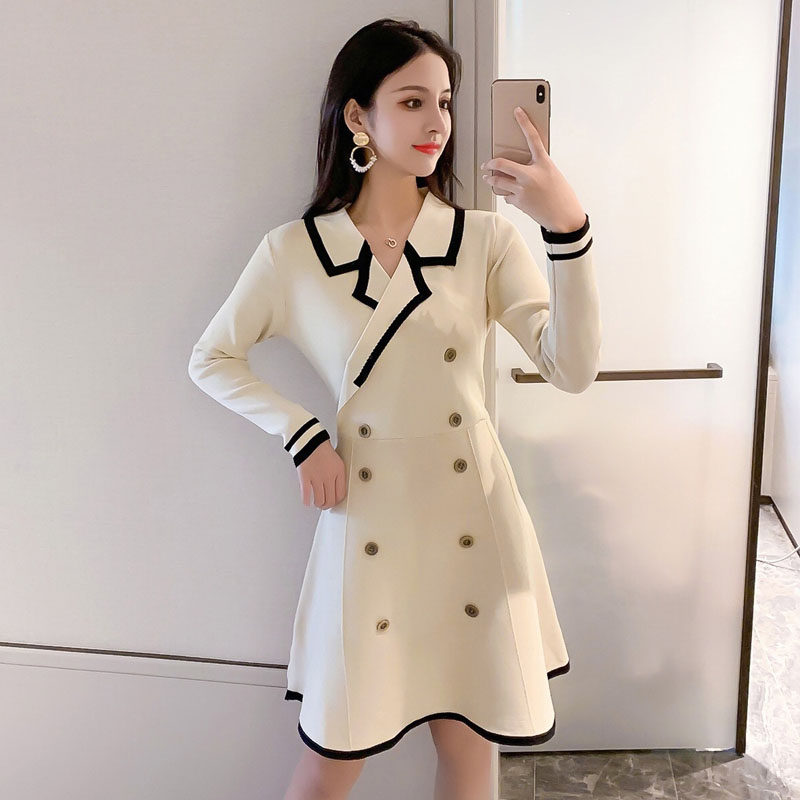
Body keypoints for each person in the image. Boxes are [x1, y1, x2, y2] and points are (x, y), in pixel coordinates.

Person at [187, 17, 600, 800]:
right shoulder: (294, 252)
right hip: (369, 519)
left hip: (472, 520)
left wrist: (566, 229)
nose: (436, 122)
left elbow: (571, 369)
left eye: (443, 102)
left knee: (471, 751)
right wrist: (302, 435)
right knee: (332, 758)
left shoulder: (485, 241)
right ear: (357, 116)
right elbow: (211, 358)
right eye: (412, 101)